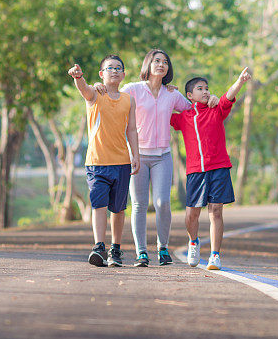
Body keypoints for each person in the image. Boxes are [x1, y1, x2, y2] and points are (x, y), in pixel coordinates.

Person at [95, 48, 218, 267]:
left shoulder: (172, 94)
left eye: (165, 62)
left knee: (162, 203)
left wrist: (211, 100)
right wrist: (99, 86)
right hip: (138, 156)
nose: (161, 64)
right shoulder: (133, 89)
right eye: (157, 61)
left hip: (163, 156)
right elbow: (113, 95)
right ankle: (141, 252)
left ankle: (163, 248)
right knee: (139, 204)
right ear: (148, 65)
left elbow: (194, 110)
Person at [170, 67, 251, 270]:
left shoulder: (217, 109)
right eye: (200, 88)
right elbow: (161, 109)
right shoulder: (183, 117)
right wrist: (167, 90)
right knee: (192, 214)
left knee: (216, 211)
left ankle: (215, 255)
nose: (206, 91)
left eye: (207, 88)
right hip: (195, 171)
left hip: (219, 167)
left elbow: (228, 96)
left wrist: (240, 81)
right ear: (190, 95)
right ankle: (193, 242)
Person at [68, 56, 140, 267]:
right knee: (98, 204)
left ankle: (115, 249)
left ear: (124, 75)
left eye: (119, 68)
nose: (115, 71)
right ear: (102, 73)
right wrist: (78, 77)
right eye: (110, 68)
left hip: (121, 162)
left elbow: (132, 129)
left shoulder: (128, 100)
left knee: (118, 209)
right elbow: (83, 89)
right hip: (97, 162)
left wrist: (135, 155)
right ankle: (99, 246)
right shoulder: (95, 93)